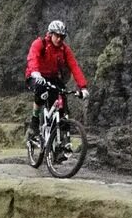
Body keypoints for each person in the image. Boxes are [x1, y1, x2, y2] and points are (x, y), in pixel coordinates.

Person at [26, 19, 88, 150]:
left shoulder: (65, 50)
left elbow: (74, 66)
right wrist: (36, 72)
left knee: (62, 101)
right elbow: (32, 57)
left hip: (53, 77)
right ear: (50, 34)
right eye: (57, 35)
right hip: (35, 75)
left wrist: (83, 87)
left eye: (62, 37)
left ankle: (62, 141)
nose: (59, 39)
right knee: (41, 92)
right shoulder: (40, 43)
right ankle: (35, 122)